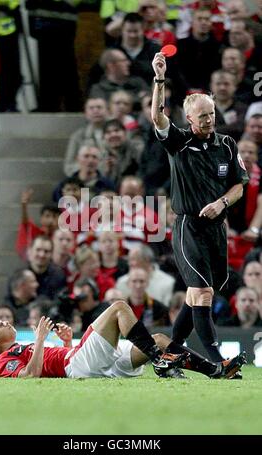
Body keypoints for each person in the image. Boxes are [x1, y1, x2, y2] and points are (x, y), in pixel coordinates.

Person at [151, 51, 249, 369]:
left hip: (216, 228)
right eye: (202, 116)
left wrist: (221, 203)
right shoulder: (179, 143)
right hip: (188, 227)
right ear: (189, 120)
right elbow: (156, 118)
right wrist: (159, 78)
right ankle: (217, 361)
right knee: (202, 292)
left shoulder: (227, 145)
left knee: (196, 297)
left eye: (211, 113)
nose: (208, 119)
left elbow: (239, 186)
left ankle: (169, 353)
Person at [0, 299, 246, 379]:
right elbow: (30, 377)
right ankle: (161, 362)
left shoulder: (22, 348)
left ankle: (215, 370)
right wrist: (42, 340)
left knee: (160, 339)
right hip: (79, 365)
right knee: (118, 307)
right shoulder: (5, 360)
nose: (6, 322)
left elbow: (49, 366)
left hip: (80, 358)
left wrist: (66, 343)